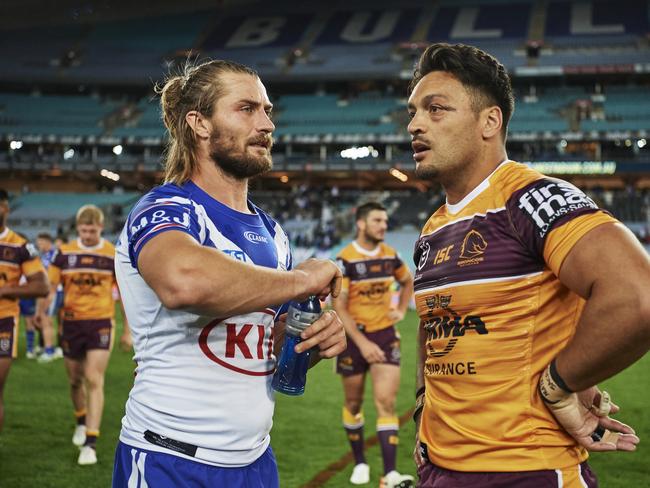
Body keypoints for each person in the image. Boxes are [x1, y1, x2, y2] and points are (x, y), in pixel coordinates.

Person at [407, 42, 650, 487]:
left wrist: (562, 382)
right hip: (438, 469)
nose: (415, 124)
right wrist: (424, 401)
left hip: (525, 471)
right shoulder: (433, 228)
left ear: (489, 121)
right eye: (413, 112)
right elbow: (434, 319)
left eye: (435, 109)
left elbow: (637, 297)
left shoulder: (530, 199)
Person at [111, 59, 346, 488]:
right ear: (199, 124)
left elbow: (261, 350)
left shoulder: (273, 233)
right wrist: (301, 280)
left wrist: (312, 342)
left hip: (255, 461)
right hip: (170, 460)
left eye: (268, 110)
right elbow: (183, 282)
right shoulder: (168, 209)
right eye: (247, 109)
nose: (267, 124)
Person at [333, 202, 415, 487]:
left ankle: (389, 474)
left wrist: (402, 310)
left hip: (384, 335)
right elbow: (339, 307)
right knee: (353, 404)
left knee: (386, 402)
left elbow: (408, 282)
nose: (384, 225)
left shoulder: (391, 257)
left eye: (385, 221)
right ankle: (360, 462)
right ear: (361, 224)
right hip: (354, 340)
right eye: (378, 220)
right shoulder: (344, 260)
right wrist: (362, 342)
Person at [44, 205, 125, 465]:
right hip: (70, 323)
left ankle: (90, 442)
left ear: (101, 228)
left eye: (92, 230)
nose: (87, 234)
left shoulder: (112, 254)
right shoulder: (64, 253)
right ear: (77, 229)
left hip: (101, 322)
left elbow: (124, 293)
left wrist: (131, 330)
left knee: (94, 378)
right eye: (83, 230)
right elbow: (50, 287)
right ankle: (81, 419)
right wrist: (44, 313)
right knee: (75, 380)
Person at [0, 188, 49, 431]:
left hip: (3, 322)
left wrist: (5, 291)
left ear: (5, 208)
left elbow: (42, 285)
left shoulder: (20, 247)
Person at [33, 232, 63, 362]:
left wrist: (49, 295)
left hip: (53, 291)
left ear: (46, 242)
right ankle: (56, 348)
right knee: (50, 320)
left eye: (40, 242)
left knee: (45, 319)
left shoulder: (51, 256)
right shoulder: (46, 256)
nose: (38, 244)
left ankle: (49, 351)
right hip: (54, 291)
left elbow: (51, 279)